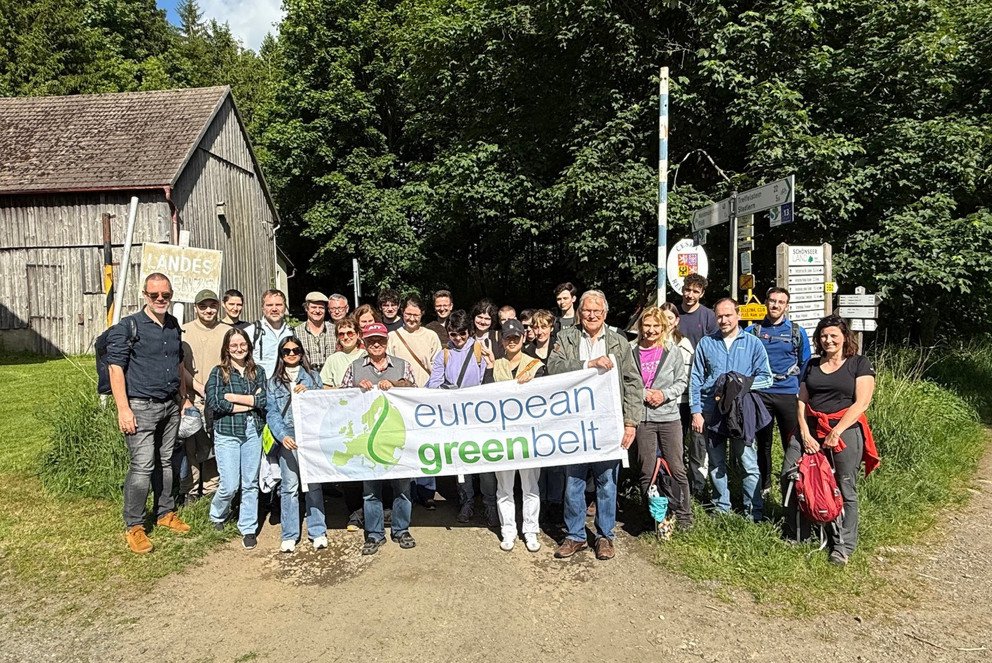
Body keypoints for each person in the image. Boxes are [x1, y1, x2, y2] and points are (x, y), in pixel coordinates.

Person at [548, 290, 643, 561]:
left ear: (605, 314)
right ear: (580, 312)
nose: (591, 315)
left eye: (597, 312)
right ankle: (575, 535)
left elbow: (633, 382)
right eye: (587, 311)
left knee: (606, 482)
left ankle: (605, 536)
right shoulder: (566, 338)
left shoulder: (618, 341)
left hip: (608, 424)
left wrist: (630, 422)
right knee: (574, 481)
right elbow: (553, 368)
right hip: (574, 424)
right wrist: (587, 364)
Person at [783, 315, 877, 565]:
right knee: (792, 476)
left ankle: (842, 545)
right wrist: (804, 433)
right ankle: (797, 533)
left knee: (844, 486)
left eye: (833, 335)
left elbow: (862, 402)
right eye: (824, 336)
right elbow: (801, 400)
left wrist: (837, 431)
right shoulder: (812, 365)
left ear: (845, 337)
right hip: (810, 427)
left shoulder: (859, 363)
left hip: (844, 430)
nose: (828, 340)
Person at [107, 273, 190, 554]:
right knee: (142, 467)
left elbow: (178, 363)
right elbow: (115, 368)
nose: (160, 300)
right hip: (140, 406)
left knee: (165, 461)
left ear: (171, 294)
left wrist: (183, 396)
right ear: (145, 295)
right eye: (154, 295)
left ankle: (165, 512)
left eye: (165, 295)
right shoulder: (129, 326)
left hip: (169, 404)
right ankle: (134, 526)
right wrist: (123, 409)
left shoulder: (173, 325)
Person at [689, 298, 772, 522]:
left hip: (741, 413)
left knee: (748, 463)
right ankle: (721, 509)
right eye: (719, 316)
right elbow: (695, 378)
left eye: (728, 315)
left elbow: (767, 378)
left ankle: (753, 512)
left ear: (738, 315)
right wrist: (696, 410)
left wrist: (741, 383)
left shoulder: (753, 343)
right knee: (716, 463)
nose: (723, 320)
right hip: (711, 410)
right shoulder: (707, 343)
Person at [340, 323, 418, 555]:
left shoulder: (403, 366)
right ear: (364, 342)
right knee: (371, 489)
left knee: (402, 487)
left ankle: (401, 529)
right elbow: (340, 399)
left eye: (381, 340)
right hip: (368, 439)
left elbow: (417, 393)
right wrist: (355, 389)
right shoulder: (354, 368)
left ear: (387, 342)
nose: (376, 344)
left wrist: (395, 385)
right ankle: (374, 534)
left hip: (397, 437)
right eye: (372, 340)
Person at [425, 310, 496, 523]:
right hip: (454, 417)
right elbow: (434, 383)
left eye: (462, 334)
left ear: (469, 332)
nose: (458, 339)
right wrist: (448, 390)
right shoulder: (443, 354)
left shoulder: (479, 351)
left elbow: (489, 383)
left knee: (485, 464)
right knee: (461, 464)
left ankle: (490, 504)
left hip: (479, 417)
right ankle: (466, 502)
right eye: (453, 334)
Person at [206, 327, 268, 549]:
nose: (239, 349)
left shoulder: (258, 372)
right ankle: (217, 514)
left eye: (243, 345)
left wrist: (234, 398)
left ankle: (248, 527)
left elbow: (265, 401)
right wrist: (250, 401)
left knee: (250, 482)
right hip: (227, 433)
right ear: (227, 348)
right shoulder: (218, 372)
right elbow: (216, 403)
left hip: (253, 432)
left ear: (249, 347)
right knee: (230, 484)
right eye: (234, 345)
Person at [745, 288, 811, 495]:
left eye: (781, 302)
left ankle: (794, 486)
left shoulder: (796, 332)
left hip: (788, 393)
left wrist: (800, 391)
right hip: (761, 394)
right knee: (762, 442)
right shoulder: (752, 331)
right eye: (772, 301)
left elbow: (805, 362)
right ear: (765, 302)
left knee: (791, 442)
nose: (775, 305)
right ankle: (764, 486)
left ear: (786, 306)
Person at [632, 306, 692, 530]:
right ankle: (653, 518)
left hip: (668, 417)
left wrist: (664, 394)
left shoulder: (672, 350)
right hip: (643, 418)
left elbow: (682, 382)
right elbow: (626, 382)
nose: (651, 330)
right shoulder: (631, 351)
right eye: (646, 325)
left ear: (663, 327)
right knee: (647, 468)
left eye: (656, 326)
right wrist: (643, 393)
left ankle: (684, 515)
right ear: (640, 327)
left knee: (677, 467)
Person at [489, 319, 546, 551]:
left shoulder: (536, 366)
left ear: (523, 338)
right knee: (504, 487)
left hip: (529, 435)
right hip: (502, 435)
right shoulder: (494, 367)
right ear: (502, 341)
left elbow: (545, 398)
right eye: (508, 338)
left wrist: (533, 383)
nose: (512, 341)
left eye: (516, 337)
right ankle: (508, 530)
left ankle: (531, 530)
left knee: (530, 485)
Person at [266, 336, 327, 553]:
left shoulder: (312, 377)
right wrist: (282, 436)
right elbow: (272, 412)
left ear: (301, 352)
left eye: (295, 350)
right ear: (281, 355)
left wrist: (310, 393)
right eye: (286, 351)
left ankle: (318, 530)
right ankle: (290, 534)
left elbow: (324, 406)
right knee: (289, 486)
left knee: (313, 484)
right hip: (288, 436)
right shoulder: (273, 382)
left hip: (310, 436)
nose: (291, 354)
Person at [178, 288, 225, 503]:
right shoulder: (183, 331)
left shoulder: (226, 331)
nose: (208, 310)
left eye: (212, 306)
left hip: (218, 396)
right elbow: (178, 365)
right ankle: (191, 489)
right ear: (195, 308)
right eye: (203, 306)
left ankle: (211, 488)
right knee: (191, 444)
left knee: (214, 443)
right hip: (190, 397)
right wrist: (195, 385)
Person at [661, 302, 701, 498]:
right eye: (663, 317)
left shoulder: (684, 344)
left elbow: (688, 376)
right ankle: (663, 487)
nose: (667, 322)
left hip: (680, 403)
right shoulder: (650, 341)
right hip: (658, 405)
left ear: (676, 321)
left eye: (670, 318)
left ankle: (683, 489)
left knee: (679, 448)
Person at [387, 295, 442, 389]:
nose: (412, 319)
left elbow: (438, 367)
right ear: (402, 312)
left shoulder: (431, 336)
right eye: (408, 314)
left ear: (422, 314)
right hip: (401, 392)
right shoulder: (392, 337)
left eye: (416, 315)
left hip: (426, 391)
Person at [244, 289, 293, 379]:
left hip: (285, 386)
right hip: (261, 386)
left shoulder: (291, 332)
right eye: (269, 305)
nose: (274, 309)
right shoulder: (251, 332)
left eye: (278, 305)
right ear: (263, 308)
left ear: (285, 308)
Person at [293, 291, 336, 372]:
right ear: (306, 308)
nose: (317, 311)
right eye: (313, 307)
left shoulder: (334, 330)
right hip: (306, 378)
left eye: (321, 307)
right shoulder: (296, 332)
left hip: (331, 378)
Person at [320, 316, 366, 388]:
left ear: (358, 334)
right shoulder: (332, 359)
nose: (346, 337)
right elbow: (324, 385)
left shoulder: (366, 355)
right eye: (341, 334)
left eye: (350, 333)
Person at [678, 273, 717, 348]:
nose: (690, 295)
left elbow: (714, 346)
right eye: (688, 290)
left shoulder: (709, 316)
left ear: (702, 294)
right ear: (682, 289)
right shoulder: (673, 314)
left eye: (695, 292)